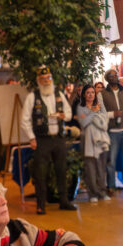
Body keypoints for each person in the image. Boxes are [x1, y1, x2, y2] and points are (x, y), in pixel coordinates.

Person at [30, 72, 80, 211]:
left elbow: (69, 113)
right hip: (42, 139)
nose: (46, 81)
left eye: (49, 78)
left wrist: (64, 116)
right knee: (41, 172)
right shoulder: (32, 96)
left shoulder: (59, 94)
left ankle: (64, 201)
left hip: (58, 138)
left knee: (61, 170)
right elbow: (25, 119)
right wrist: (31, 138)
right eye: (43, 79)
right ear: (38, 81)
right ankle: (41, 205)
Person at [79, 87, 116, 200]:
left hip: (102, 140)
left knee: (101, 168)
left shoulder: (100, 105)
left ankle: (102, 192)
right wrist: (94, 114)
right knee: (91, 168)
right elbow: (84, 122)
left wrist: (93, 117)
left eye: (92, 93)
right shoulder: (80, 107)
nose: (90, 95)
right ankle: (93, 193)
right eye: (88, 93)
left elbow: (104, 123)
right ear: (84, 95)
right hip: (88, 141)